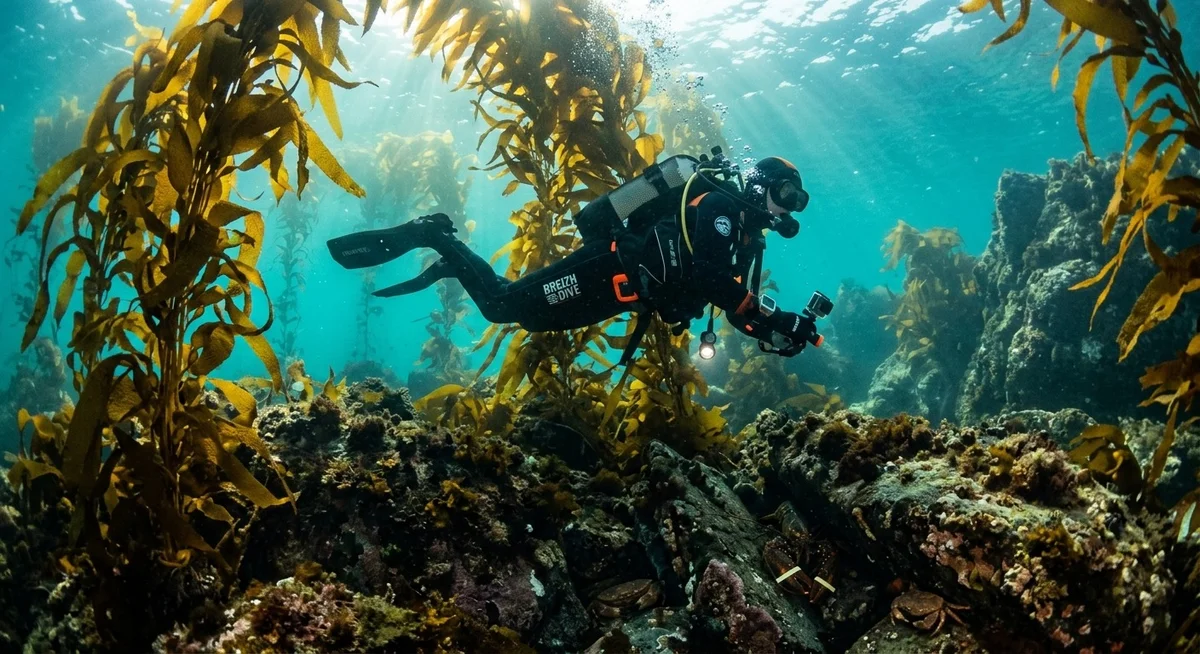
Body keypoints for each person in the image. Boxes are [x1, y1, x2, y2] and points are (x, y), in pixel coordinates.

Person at [327, 153, 825, 364]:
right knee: (503, 306)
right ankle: (435, 237)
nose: (787, 208)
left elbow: (733, 302)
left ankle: (454, 261)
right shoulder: (718, 207)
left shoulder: (746, 240)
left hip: (622, 295)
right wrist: (774, 316)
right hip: (603, 270)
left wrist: (778, 333)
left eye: (797, 201)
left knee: (527, 319)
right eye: (785, 193)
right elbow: (713, 279)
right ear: (760, 186)